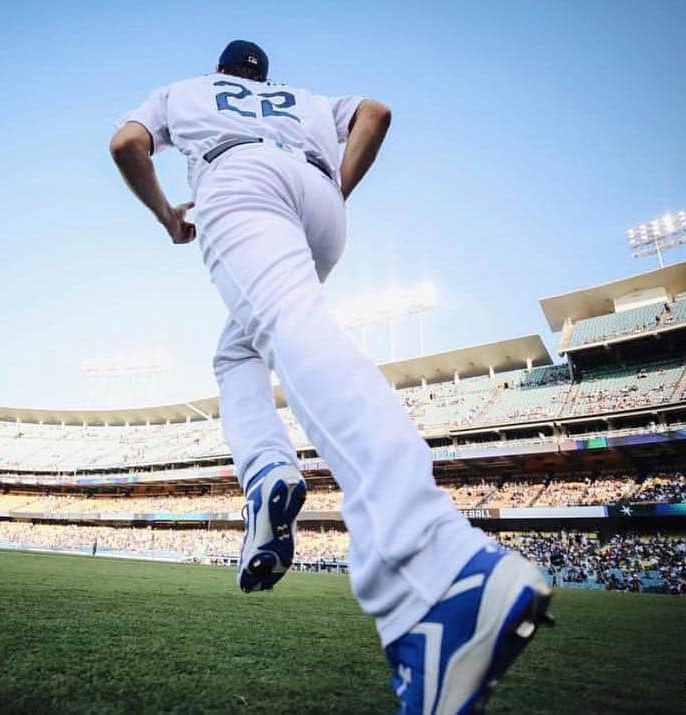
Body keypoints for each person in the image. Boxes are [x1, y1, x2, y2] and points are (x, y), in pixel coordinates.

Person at [109, 40, 553, 713]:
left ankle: (436, 564)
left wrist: (169, 213)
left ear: (222, 71)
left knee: (289, 323)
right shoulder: (304, 100)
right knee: (240, 351)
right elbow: (375, 113)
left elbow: (126, 145)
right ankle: (266, 477)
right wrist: (335, 188)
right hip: (319, 199)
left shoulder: (186, 89)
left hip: (241, 180)